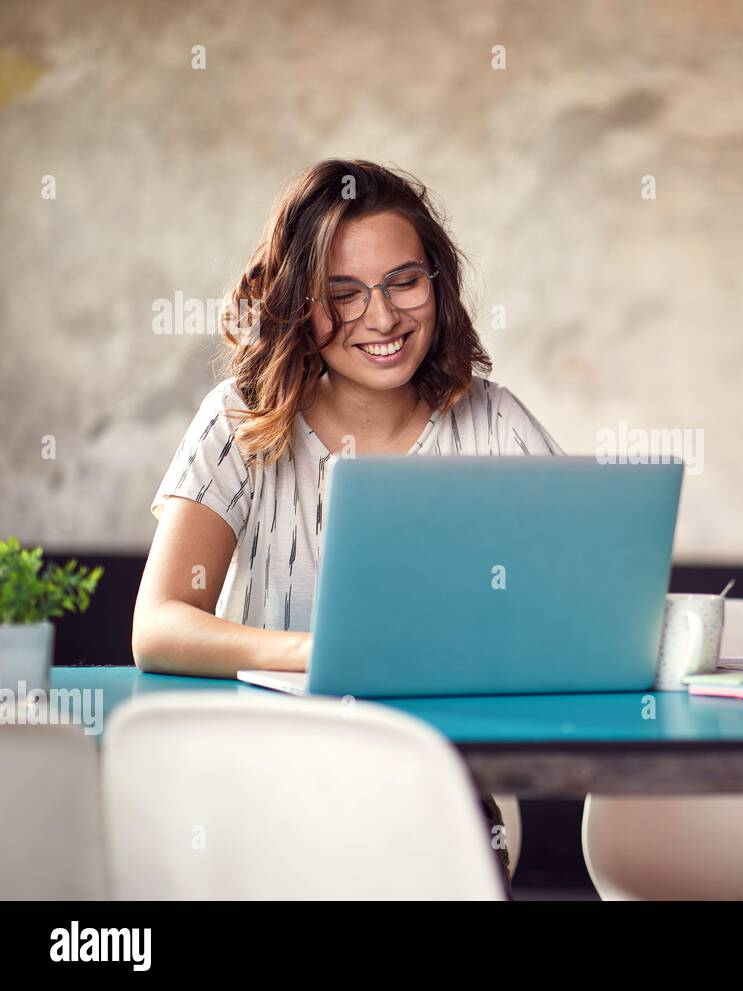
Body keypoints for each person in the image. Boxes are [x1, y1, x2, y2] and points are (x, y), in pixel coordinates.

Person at [133, 160, 560, 891]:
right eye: (344, 293)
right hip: (265, 798)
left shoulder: (494, 422)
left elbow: (572, 608)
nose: (383, 317)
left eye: (404, 280)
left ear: (437, 282)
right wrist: (324, 650)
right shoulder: (241, 420)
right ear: (302, 302)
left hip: (437, 805)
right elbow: (159, 625)